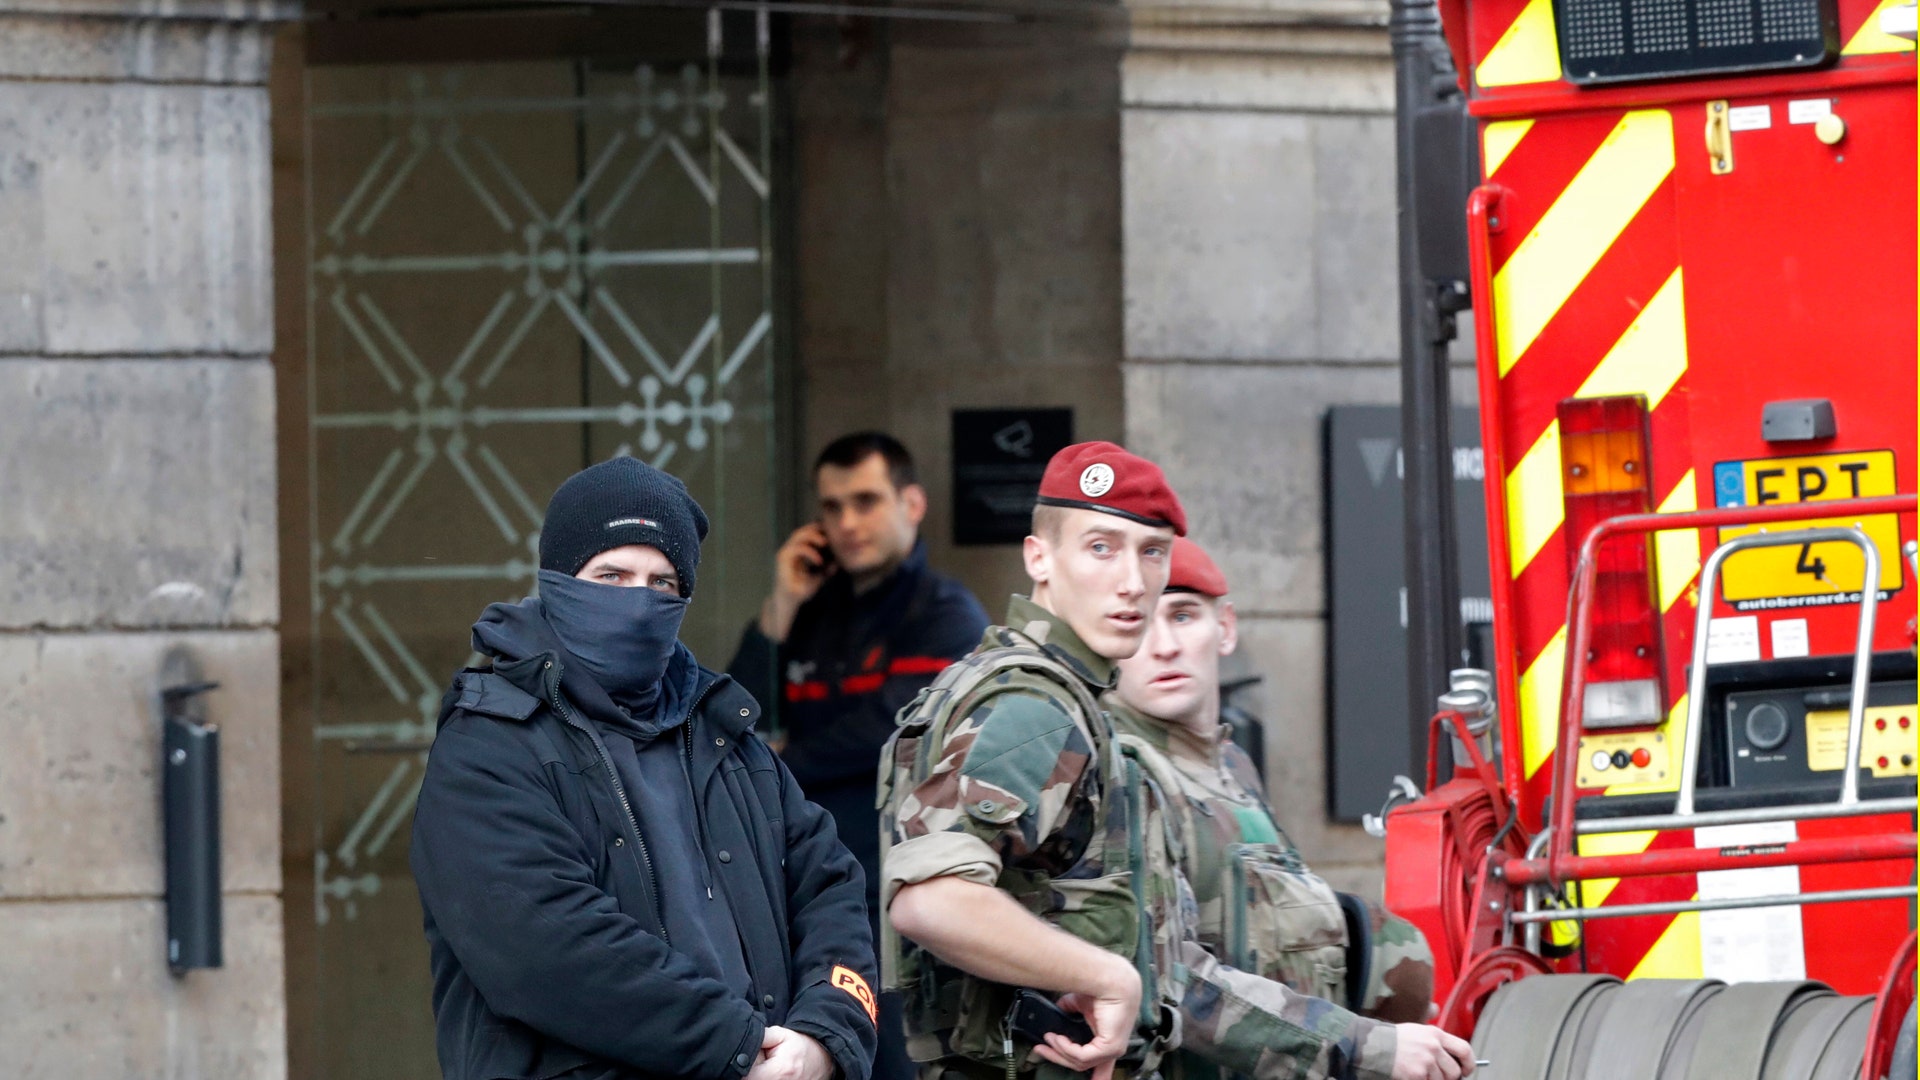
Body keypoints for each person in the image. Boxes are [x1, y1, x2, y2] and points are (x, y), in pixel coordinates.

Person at [878, 441, 1475, 1080]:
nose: (1132, 583)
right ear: (1039, 556)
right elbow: (930, 899)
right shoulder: (1037, 706)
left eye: (1152, 551)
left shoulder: (1055, 699)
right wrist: (1108, 975)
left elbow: (1158, 957)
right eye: (1101, 548)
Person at [411, 457, 879, 1080]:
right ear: (557, 579)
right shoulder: (489, 745)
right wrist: (739, 1047)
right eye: (610, 574)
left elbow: (829, 887)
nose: (637, 601)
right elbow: (547, 949)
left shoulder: (729, 737)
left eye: (662, 584)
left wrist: (822, 1039)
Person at [729, 432, 990, 1080]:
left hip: (903, 902)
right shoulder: (809, 614)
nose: (847, 523)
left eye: (866, 501)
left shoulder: (947, 616)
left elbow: (891, 733)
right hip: (801, 892)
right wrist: (782, 604)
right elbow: (733, 718)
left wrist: (783, 761)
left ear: (913, 503)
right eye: (832, 507)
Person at [1107, 536, 1436, 1043]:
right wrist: (1359, 1047)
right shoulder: (1121, 770)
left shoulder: (1230, 764)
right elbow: (1166, 978)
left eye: (1182, 616)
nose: (1164, 646)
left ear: (1226, 628)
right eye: (1141, 622)